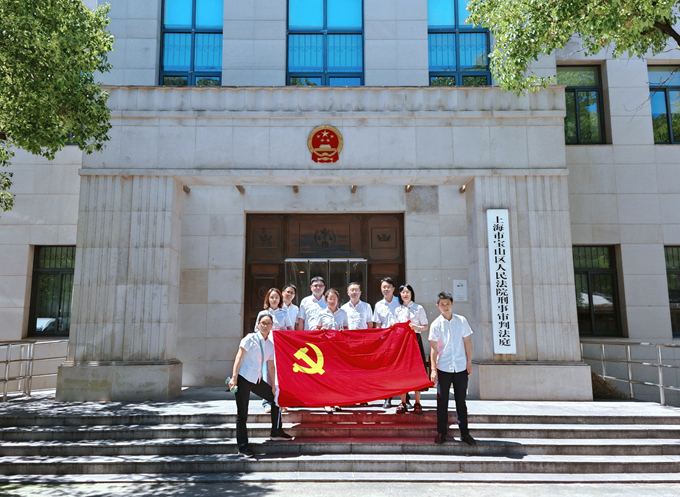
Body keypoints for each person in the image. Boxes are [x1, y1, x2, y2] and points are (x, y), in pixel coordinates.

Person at [228, 314, 293, 458]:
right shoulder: (249, 338)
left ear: (271, 326)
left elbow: (271, 367)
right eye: (263, 323)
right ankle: (243, 447)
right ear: (258, 324)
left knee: (275, 399)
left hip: (256, 379)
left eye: (268, 324)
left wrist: (274, 386)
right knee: (242, 414)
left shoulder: (270, 345)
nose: (265, 326)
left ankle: (276, 431)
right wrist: (234, 377)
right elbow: (239, 357)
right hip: (243, 378)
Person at [428, 291, 476, 446]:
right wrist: (433, 369)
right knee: (442, 402)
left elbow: (467, 342)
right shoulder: (436, 324)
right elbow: (433, 348)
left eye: (448, 304)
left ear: (452, 304)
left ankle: (465, 433)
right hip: (443, 367)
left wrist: (469, 362)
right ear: (438, 306)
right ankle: (441, 432)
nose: (445, 307)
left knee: (461, 401)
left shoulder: (461, 321)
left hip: (460, 367)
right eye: (442, 304)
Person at [255, 288, 291, 414]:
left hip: (281, 348)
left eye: (276, 297)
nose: (274, 300)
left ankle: (281, 402)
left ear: (280, 299)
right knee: (267, 375)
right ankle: (267, 402)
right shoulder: (263, 313)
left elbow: (290, 329)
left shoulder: (284, 312)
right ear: (268, 299)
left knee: (280, 375)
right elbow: (256, 330)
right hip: (267, 347)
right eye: (272, 297)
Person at [394, 284, 429, 414]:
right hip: (402, 343)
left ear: (411, 293)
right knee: (402, 371)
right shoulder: (397, 310)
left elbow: (425, 326)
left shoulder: (418, 308)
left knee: (417, 370)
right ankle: (403, 402)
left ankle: (417, 402)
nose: (405, 294)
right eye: (402, 292)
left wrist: (417, 327)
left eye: (407, 292)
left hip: (415, 341)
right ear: (400, 295)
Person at [316, 288, 348, 413]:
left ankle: (337, 401)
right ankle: (327, 402)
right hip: (325, 349)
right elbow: (316, 330)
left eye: (334, 299)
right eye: (330, 299)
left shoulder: (343, 313)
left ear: (338, 300)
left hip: (338, 349)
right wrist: (321, 331)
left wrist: (343, 332)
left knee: (337, 375)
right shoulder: (321, 313)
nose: (332, 301)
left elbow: (347, 329)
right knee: (326, 375)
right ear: (326, 300)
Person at [372, 277, 402, 409]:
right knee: (386, 370)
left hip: (399, 340)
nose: (386, 289)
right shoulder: (378, 305)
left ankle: (404, 398)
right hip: (385, 341)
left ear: (393, 289)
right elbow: (377, 325)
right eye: (383, 287)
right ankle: (387, 398)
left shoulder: (400, 302)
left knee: (400, 368)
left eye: (388, 287)